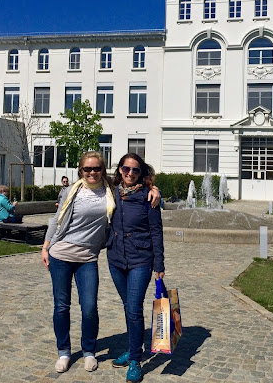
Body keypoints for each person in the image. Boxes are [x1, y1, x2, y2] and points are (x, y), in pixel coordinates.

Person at [41, 151, 114, 374]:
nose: (92, 173)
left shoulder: (111, 191)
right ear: (80, 171)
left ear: (103, 169)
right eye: (87, 169)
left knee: (90, 307)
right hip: (61, 254)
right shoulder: (71, 191)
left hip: (88, 258)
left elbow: (137, 182)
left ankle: (89, 351)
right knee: (61, 306)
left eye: (96, 168)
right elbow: (57, 219)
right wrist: (45, 247)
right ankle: (64, 352)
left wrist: (154, 189)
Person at [106, 153, 165, 383]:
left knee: (133, 308)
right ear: (119, 170)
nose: (130, 173)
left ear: (142, 173)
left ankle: (135, 360)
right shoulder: (112, 191)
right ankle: (132, 349)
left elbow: (156, 231)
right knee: (127, 306)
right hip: (116, 259)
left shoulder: (148, 197)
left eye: (135, 170)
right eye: (126, 169)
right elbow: (89, 180)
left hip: (141, 259)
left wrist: (159, 264)